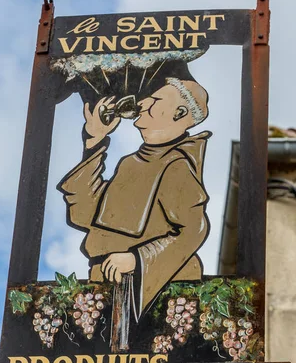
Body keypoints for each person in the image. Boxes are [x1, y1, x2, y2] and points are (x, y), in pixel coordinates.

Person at [58, 75, 211, 321]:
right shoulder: (132, 163)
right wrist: (96, 139)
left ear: (180, 113)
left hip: (154, 293)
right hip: (106, 284)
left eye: (156, 99)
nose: (144, 102)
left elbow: (193, 230)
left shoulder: (177, 165)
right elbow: (87, 214)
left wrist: (136, 259)